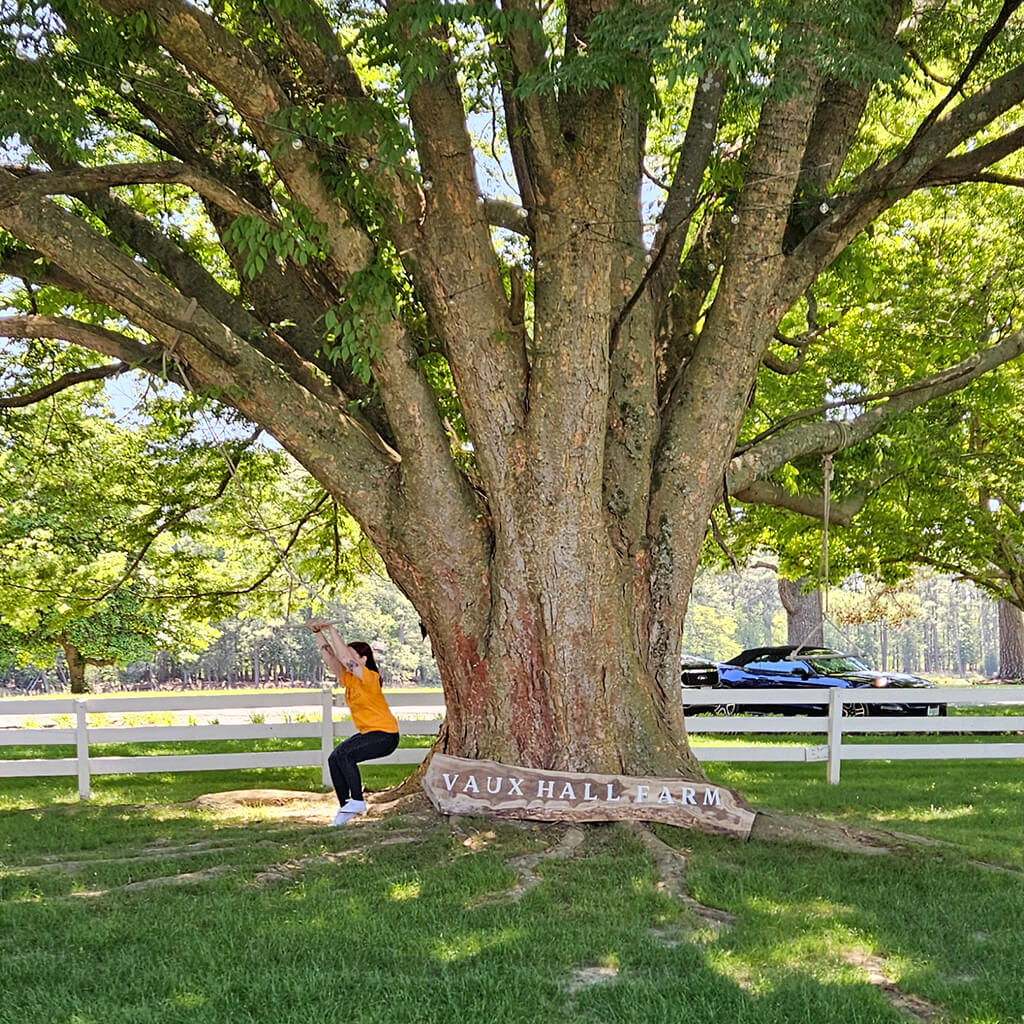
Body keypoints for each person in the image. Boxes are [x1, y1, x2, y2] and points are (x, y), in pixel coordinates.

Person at [307, 620, 399, 826]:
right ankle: (345, 808)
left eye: (351, 656)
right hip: (370, 733)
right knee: (334, 759)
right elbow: (331, 658)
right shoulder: (349, 679)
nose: (346, 659)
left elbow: (343, 656)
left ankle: (357, 800)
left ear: (363, 659)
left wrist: (331, 628)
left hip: (385, 735)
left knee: (345, 754)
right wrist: (317, 632)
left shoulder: (370, 678)